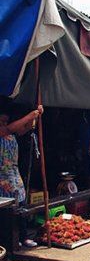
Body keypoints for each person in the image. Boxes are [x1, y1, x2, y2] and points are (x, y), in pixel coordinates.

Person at [0, 104, 44, 247]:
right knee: (7, 209)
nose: (4, 124)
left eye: (6, 121)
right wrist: (30, 115)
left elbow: (24, 128)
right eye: (1, 121)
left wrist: (36, 117)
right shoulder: (4, 131)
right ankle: (10, 239)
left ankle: (23, 236)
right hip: (2, 177)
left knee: (22, 204)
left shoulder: (11, 135)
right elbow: (10, 128)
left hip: (14, 174)